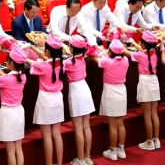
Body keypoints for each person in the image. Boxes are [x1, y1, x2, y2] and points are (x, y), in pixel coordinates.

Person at [23, 35, 65, 165]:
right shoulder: (62, 63)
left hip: (46, 100)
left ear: (47, 51)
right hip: (58, 99)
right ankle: (59, 163)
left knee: (47, 136)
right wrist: (31, 47)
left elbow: (30, 61)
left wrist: (22, 51)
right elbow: (47, 57)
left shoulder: (43, 66)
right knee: (57, 134)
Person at [87, 40, 129, 160]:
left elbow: (94, 59)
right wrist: (104, 51)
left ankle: (113, 151)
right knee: (120, 124)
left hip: (110, 93)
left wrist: (93, 53)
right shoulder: (125, 60)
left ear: (111, 51)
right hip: (122, 93)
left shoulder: (107, 62)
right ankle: (121, 150)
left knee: (112, 125)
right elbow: (110, 56)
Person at [125, 31, 161, 151]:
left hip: (145, 83)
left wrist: (121, 43)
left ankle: (149, 141)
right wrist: (133, 42)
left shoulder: (141, 55)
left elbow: (126, 53)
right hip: (154, 82)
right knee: (154, 114)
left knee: (147, 115)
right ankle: (156, 140)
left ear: (144, 44)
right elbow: (143, 50)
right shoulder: (154, 53)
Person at [62, 35, 94, 165]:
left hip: (76, 92)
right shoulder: (84, 59)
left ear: (72, 48)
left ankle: (80, 159)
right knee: (86, 127)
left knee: (79, 129)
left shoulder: (68, 63)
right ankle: (87, 157)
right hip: (85, 90)